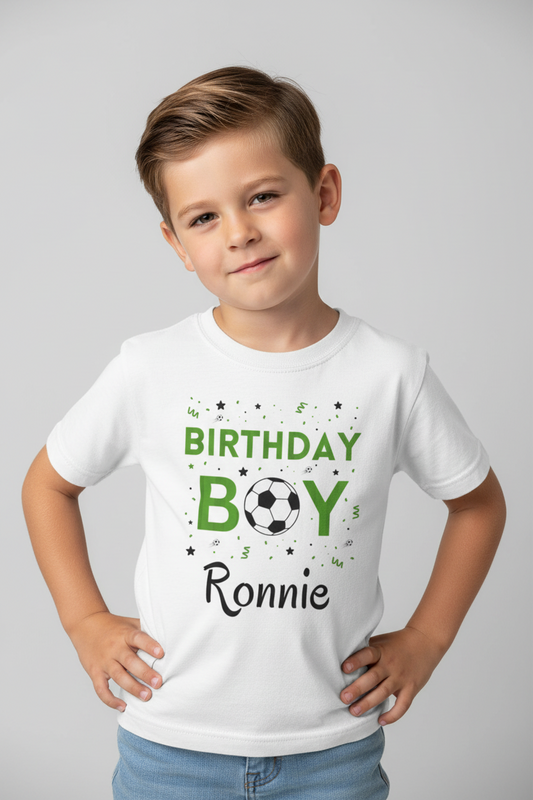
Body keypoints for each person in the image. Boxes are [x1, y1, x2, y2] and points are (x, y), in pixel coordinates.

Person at [21, 66, 506, 800]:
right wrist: (84, 619)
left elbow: (478, 504)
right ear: (177, 244)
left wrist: (425, 639)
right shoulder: (152, 368)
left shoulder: (388, 374)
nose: (239, 231)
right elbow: (48, 483)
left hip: (331, 752)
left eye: (263, 197)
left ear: (325, 194)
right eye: (203, 217)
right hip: (170, 746)